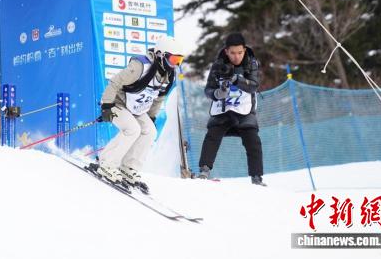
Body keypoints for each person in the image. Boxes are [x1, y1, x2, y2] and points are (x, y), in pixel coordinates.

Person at [98, 36, 186, 192]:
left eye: (179, 60)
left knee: (150, 131)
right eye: (173, 59)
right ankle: (107, 164)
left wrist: (151, 117)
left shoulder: (168, 75)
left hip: (136, 109)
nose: (175, 64)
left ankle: (128, 167)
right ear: (160, 55)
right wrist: (106, 106)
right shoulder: (140, 66)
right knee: (132, 129)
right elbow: (115, 82)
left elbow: (158, 98)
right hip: (117, 103)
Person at [197, 32, 265, 185]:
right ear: (226, 51)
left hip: (244, 111)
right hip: (223, 109)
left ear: (244, 50)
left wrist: (236, 79)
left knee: (253, 141)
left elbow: (254, 86)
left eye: (240, 52)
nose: (236, 56)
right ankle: (204, 172)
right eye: (233, 53)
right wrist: (216, 93)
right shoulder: (217, 65)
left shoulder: (251, 63)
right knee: (212, 135)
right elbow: (208, 89)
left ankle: (257, 178)